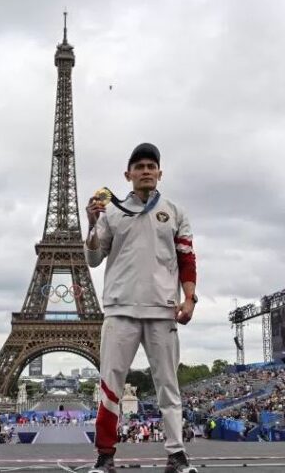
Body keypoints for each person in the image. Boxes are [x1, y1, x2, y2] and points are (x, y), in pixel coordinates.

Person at [85, 143, 198, 473]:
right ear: (128, 174)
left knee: (169, 387)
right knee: (110, 386)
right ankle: (105, 456)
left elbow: (187, 259)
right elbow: (93, 258)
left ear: (160, 173)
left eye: (152, 165)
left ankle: (176, 455)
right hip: (119, 308)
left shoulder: (175, 212)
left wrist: (189, 298)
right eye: (140, 166)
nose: (146, 170)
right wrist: (91, 224)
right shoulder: (112, 211)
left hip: (162, 309)